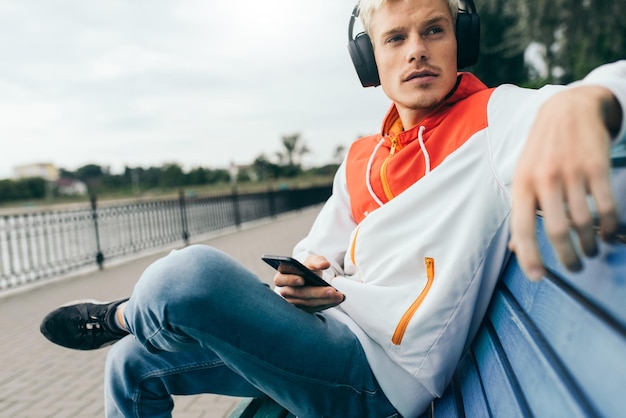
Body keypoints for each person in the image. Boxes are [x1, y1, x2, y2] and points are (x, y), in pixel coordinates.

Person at [40, 0, 625, 417]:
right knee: (130, 367)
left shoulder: (496, 121)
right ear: (370, 59)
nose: (418, 51)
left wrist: (593, 101)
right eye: (396, 38)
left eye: (435, 31)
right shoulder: (362, 157)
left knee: (184, 277)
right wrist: (310, 277)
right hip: (327, 332)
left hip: (383, 378)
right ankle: (142, 326)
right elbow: (315, 254)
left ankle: (120, 314)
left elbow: (617, 83)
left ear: (460, 41)